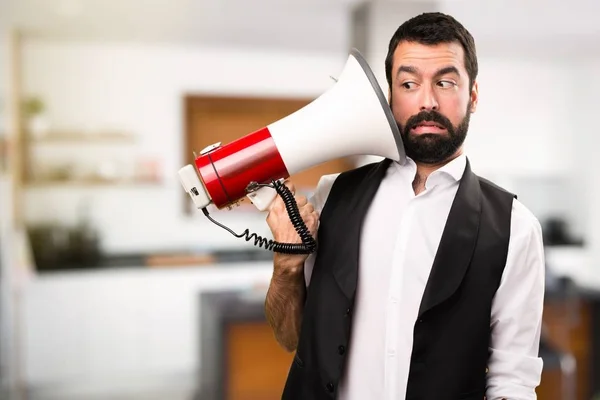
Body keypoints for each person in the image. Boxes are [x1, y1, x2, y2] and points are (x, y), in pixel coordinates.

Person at [264, 11, 545, 400]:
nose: (427, 101)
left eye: (445, 82)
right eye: (409, 83)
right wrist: (286, 264)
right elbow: (289, 336)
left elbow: (512, 381)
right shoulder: (332, 196)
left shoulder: (516, 227)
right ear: (391, 96)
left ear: (473, 96)